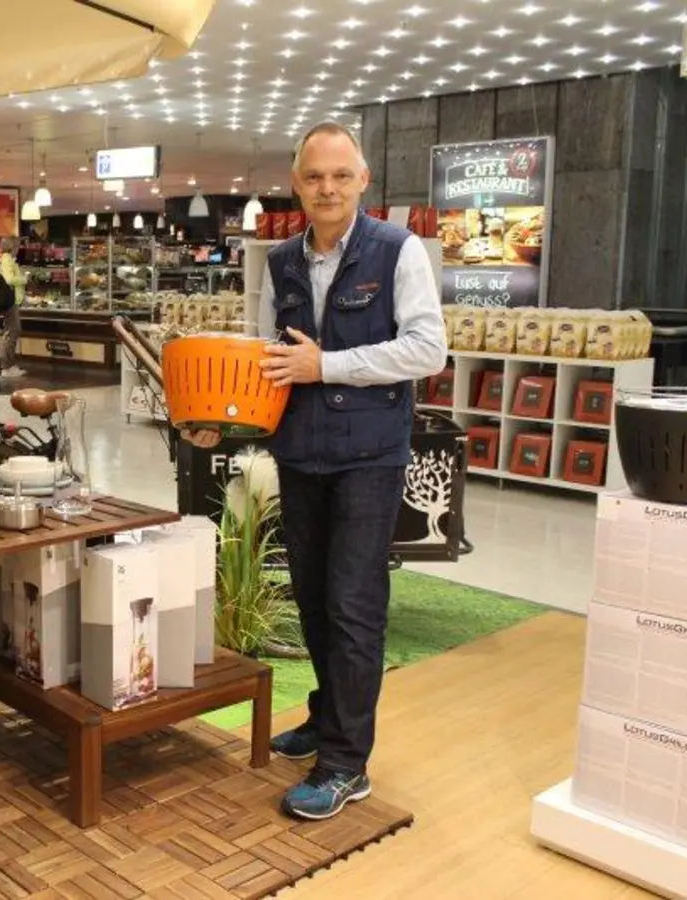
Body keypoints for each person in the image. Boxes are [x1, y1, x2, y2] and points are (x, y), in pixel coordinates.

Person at [183, 121, 447, 821]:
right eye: (312, 176)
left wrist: (325, 365)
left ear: (363, 181)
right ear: (296, 183)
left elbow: (427, 349)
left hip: (369, 457)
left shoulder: (398, 251)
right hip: (300, 454)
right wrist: (223, 418)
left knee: (355, 609)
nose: (326, 188)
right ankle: (327, 716)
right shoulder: (281, 263)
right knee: (313, 600)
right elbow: (269, 362)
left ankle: (345, 763)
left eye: (339, 175)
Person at [0, 237, 25, 372]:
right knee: (13, 331)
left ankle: (10, 365)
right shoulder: (7, 261)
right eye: (18, 247)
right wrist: (24, 279)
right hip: (10, 301)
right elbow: (9, 279)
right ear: (13, 247)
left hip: (10, 300)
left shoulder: (5, 260)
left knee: (12, 331)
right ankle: (7, 366)